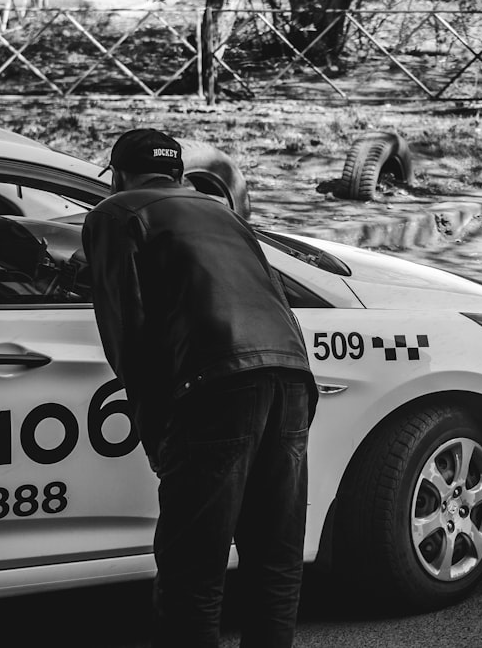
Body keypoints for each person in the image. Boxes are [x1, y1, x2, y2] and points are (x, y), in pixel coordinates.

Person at [81, 128, 317, 648]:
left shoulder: (114, 214)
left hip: (214, 386)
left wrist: (159, 439)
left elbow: (128, 335)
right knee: (274, 560)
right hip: (292, 379)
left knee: (194, 572)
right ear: (178, 173)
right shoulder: (223, 212)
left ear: (118, 175)